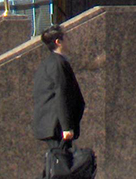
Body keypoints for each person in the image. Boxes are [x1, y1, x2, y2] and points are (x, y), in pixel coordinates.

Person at [31, 25, 96, 179]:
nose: (69, 41)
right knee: (61, 166)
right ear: (58, 41)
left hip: (50, 123)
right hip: (56, 125)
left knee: (58, 164)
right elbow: (61, 95)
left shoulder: (49, 63)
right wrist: (66, 127)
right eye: (66, 38)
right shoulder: (58, 63)